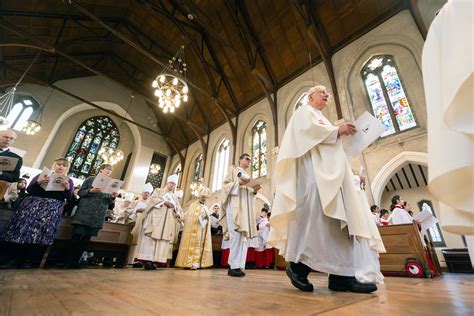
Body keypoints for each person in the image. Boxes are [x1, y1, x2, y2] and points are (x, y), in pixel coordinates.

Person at [268, 85, 385, 294]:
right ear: (310, 96)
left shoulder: (323, 119)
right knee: (317, 222)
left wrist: (341, 135)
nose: (326, 95)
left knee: (339, 225)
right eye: (321, 91)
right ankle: (297, 268)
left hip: (332, 178)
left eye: (327, 93)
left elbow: (328, 141)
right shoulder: (303, 112)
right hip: (313, 177)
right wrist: (336, 131)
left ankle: (342, 277)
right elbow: (307, 134)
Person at [0, 158, 73, 268]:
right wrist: (39, 182)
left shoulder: (69, 181)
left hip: (50, 210)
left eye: (64, 165)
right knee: (22, 230)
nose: (61, 167)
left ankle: (28, 261)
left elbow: (69, 198)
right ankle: (12, 259)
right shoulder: (42, 175)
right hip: (32, 206)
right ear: (54, 165)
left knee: (38, 234)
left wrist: (67, 188)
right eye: (59, 164)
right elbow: (29, 189)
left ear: (67, 168)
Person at [65, 164, 117, 268]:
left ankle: (77, 262)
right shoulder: (90, 179)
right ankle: (67, 262)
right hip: (85, 212)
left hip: (98, 215)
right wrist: (90, 190)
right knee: (76, 237)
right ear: (101, 169)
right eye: (108, 169)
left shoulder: (111, 184)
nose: (109, 171)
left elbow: (110, 202)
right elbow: (80, 192)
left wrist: (112, 197)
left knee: (86, 240)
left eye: (111, 170)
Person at [220, 153, 261, 277]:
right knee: (236, 236)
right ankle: (233, 266)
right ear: (240, 160)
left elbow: (249, 197)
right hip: (235, 209)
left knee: (243, 239)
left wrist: (254, 191)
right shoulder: (233, 171)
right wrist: (239, 184)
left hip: (245, 212)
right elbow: (226, 186)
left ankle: (238, 266)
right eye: (247, 159)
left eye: (250, 160)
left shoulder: (248, 177)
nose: (249, 161)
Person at [131, 174, 183, 270]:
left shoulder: (174, 197)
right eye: (171, 183)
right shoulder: (158, 191)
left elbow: (179, 209)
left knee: (161, 241)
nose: (173, 186)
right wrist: (164, 202)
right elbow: (152, 200)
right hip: (156, 219)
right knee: (151, 239)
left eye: (174, 184)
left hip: (166, 222)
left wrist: (176, 211)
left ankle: (155, 261)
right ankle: (147, 260)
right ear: (167, 182)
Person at [175, 187, 213, 270]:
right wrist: (180, 216)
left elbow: (208, 219)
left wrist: (207, 218)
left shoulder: (206, 208)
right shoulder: (192, 206)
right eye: (203, 197)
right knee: (191, 245)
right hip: (191, 230)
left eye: (205, 198)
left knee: (198, 246)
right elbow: (186, 215)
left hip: (201, 230)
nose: (204, 199)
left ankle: (196, 263)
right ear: (198, 197)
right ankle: (187, 263)